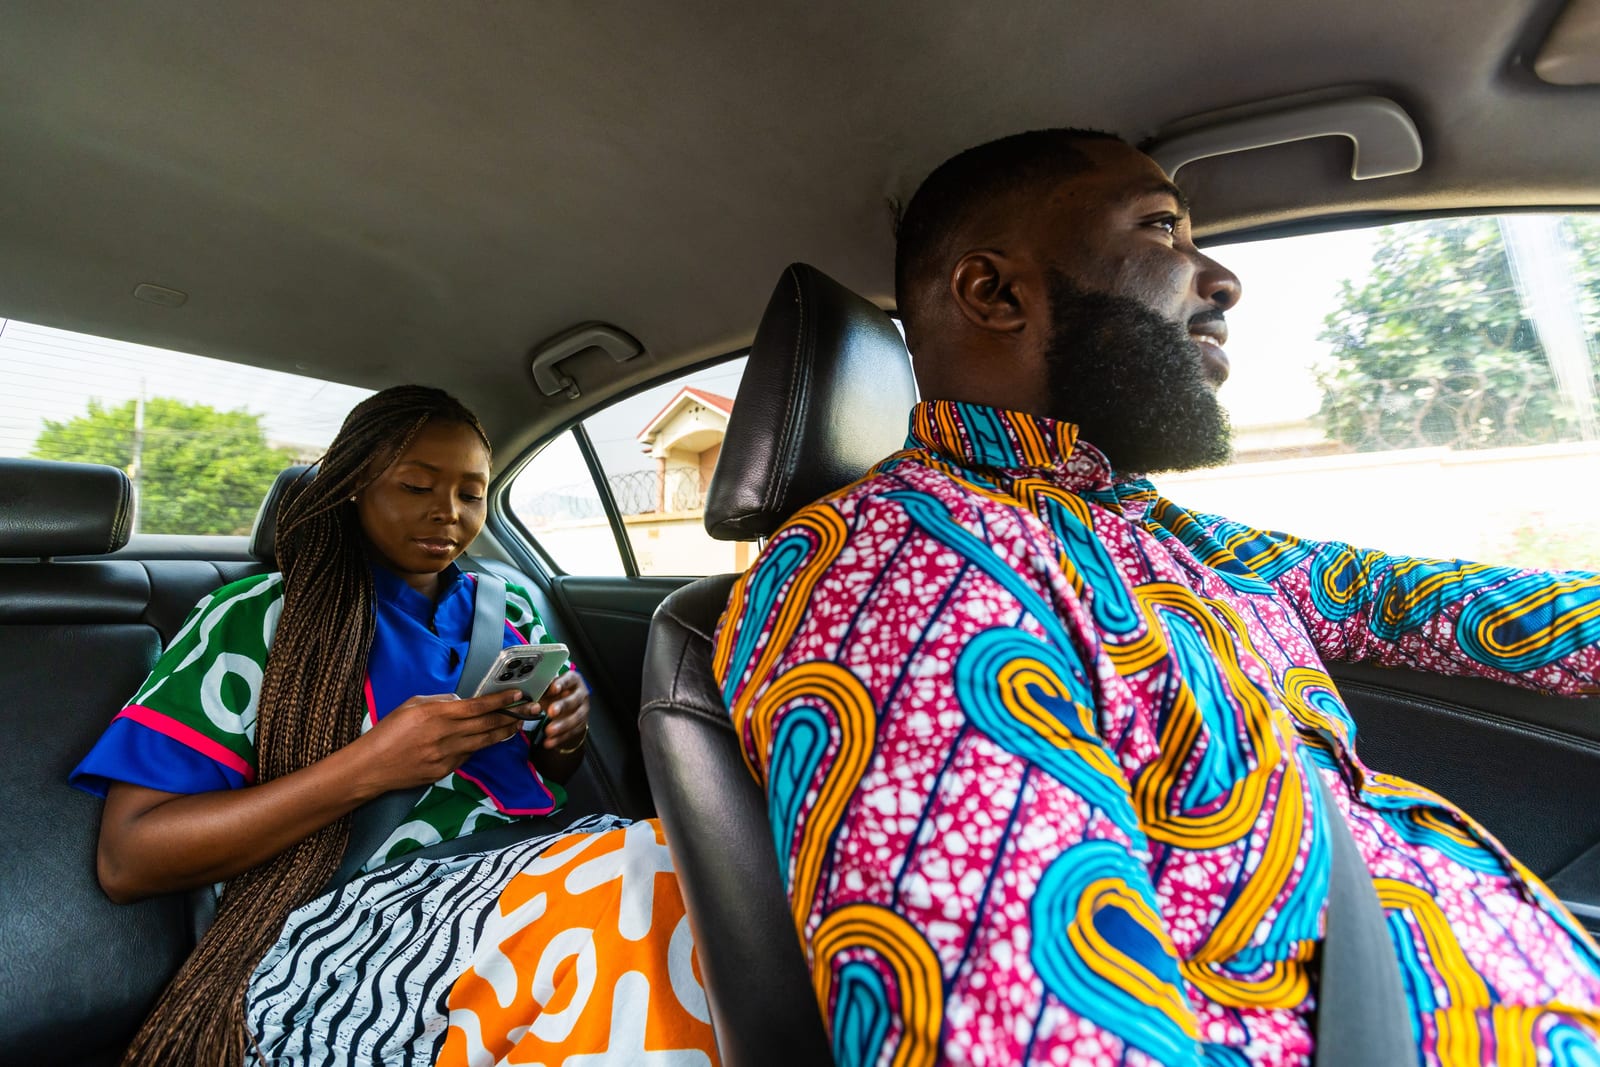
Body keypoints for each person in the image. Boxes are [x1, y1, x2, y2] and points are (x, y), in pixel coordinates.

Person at [712, 130, 1600, 1065]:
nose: (1220, 280)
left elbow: (1399, 600)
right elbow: (1035, 1033)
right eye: (1163, 228)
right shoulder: (894, 561)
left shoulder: (1141, 525)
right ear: (996, 293)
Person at [71, 385, 717, 1066]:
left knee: (692, 861)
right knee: (639, 885)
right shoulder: (257, 618)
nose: (448, 512)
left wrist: (564, 738)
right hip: (356, 917)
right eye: (416, 485)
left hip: (523, 866)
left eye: (472, 494)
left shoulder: (508, 606)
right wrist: (369, 765)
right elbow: (128, 859)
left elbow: (527, 781)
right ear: (351, 487)